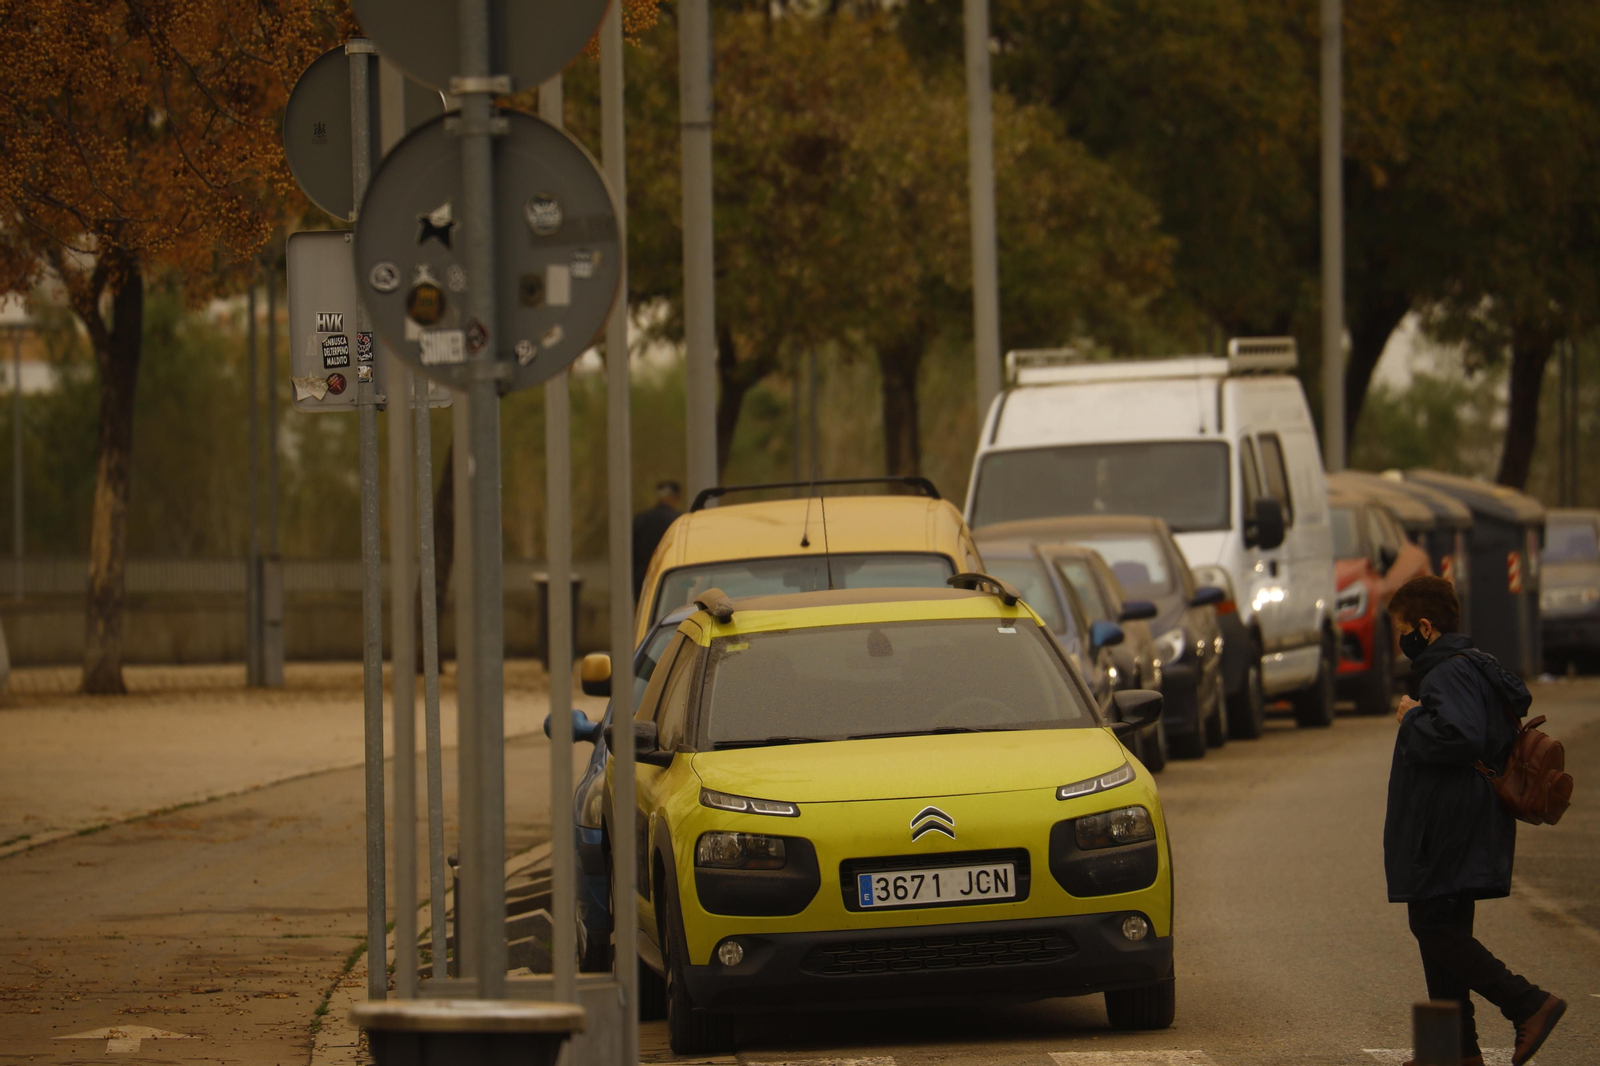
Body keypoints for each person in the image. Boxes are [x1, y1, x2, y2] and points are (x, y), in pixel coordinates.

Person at [1383, 576, 1565, 1066]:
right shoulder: (1475, 665)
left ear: (1425, 626)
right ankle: (1454, 1052)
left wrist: (1412, 717)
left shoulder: (1445, 674)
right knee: (1444, 925)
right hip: (1467, 815)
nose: (1400, 643)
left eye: (1403, 631)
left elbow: (1459, 737)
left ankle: (1528, 1004)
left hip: (1447, 820)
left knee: (1433, 923)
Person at [632, 480, 682, 600]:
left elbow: (633, 554)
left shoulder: (641, 519)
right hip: (672, 579)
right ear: (676, 498)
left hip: (644, 579)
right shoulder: (679, 521)